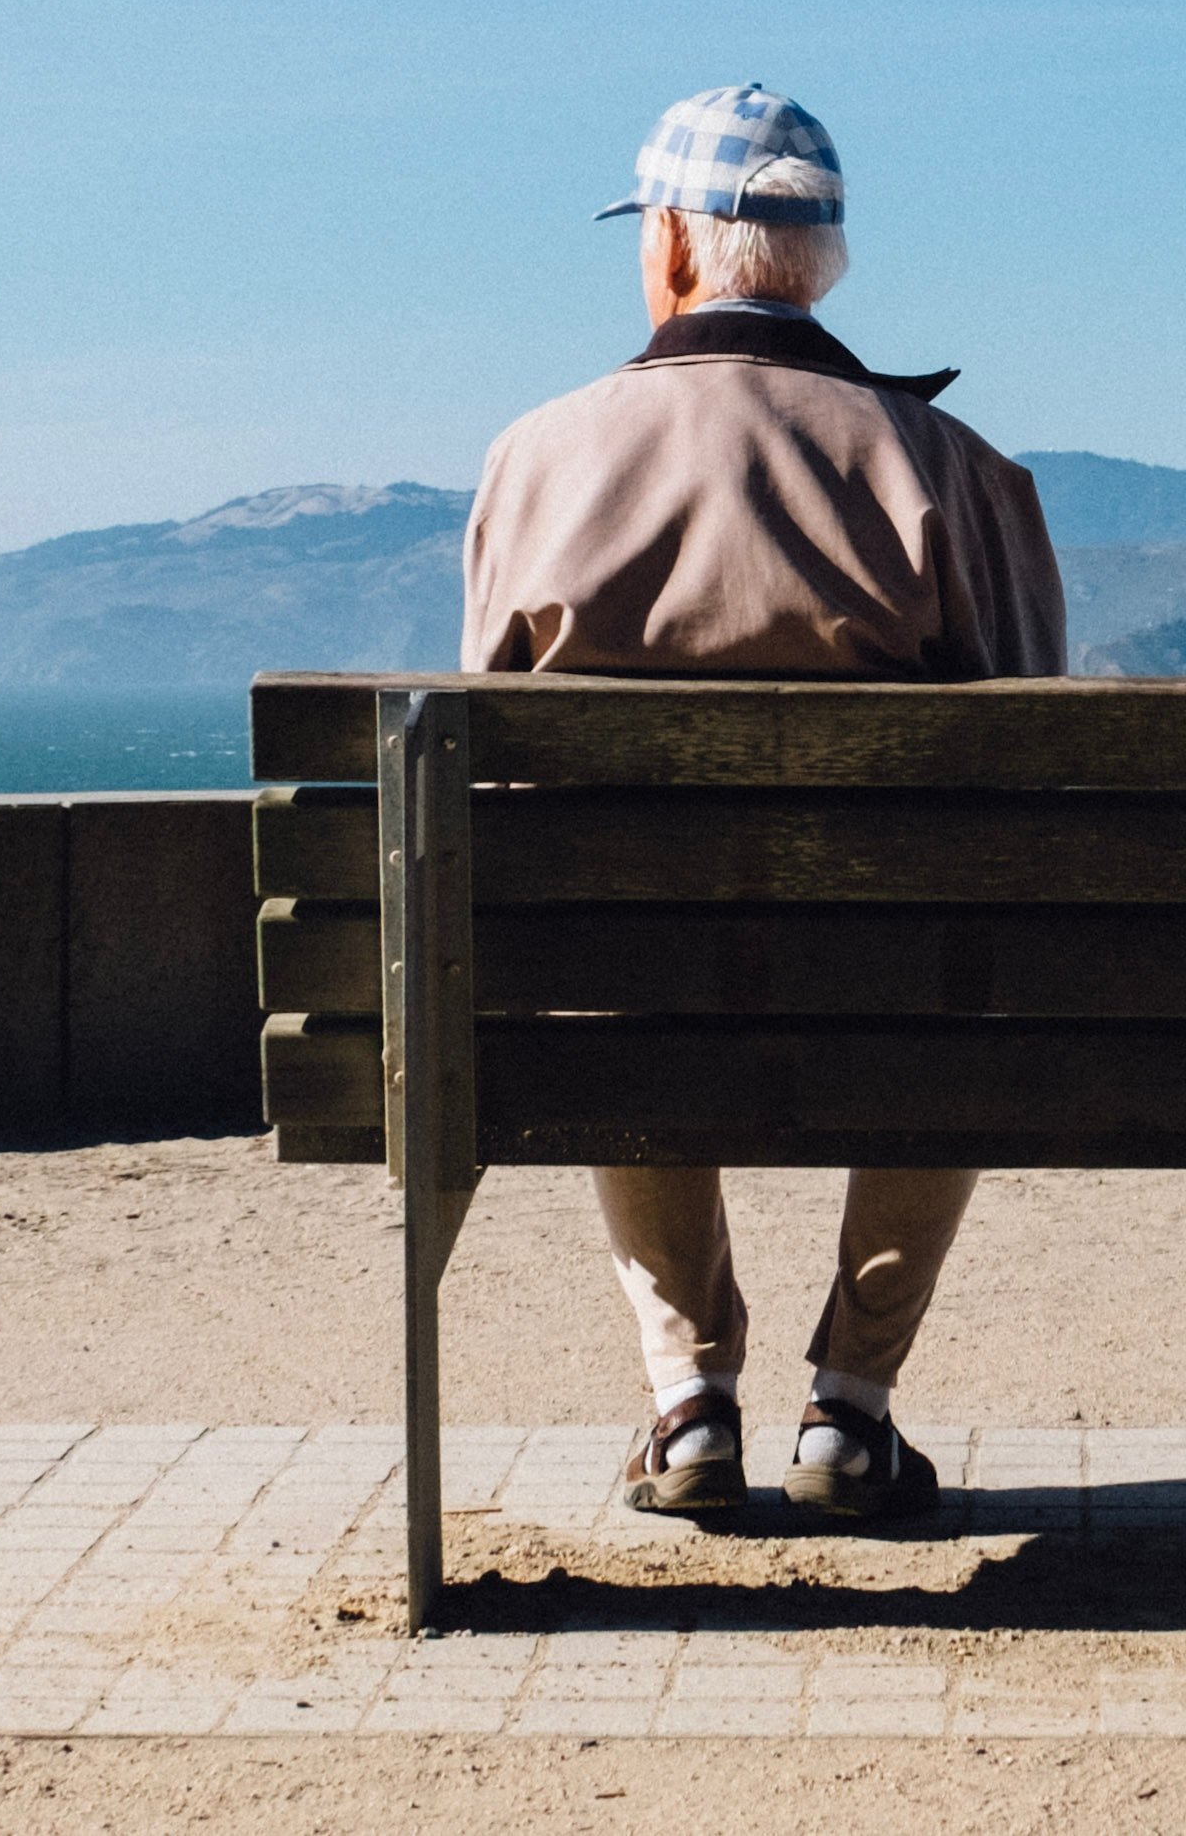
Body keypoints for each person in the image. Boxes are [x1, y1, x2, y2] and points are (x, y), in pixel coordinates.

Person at [462, 83, 1066, 1520]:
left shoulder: (540, 456)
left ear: (671, 246)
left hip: (633, 986)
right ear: (823, 263)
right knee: (961, 970)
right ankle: (850, 1407)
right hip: (897, 987)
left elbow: (483, 776)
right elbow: (1044, 773)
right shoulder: (956, 475)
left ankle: (688, 1402)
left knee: (603, 957)